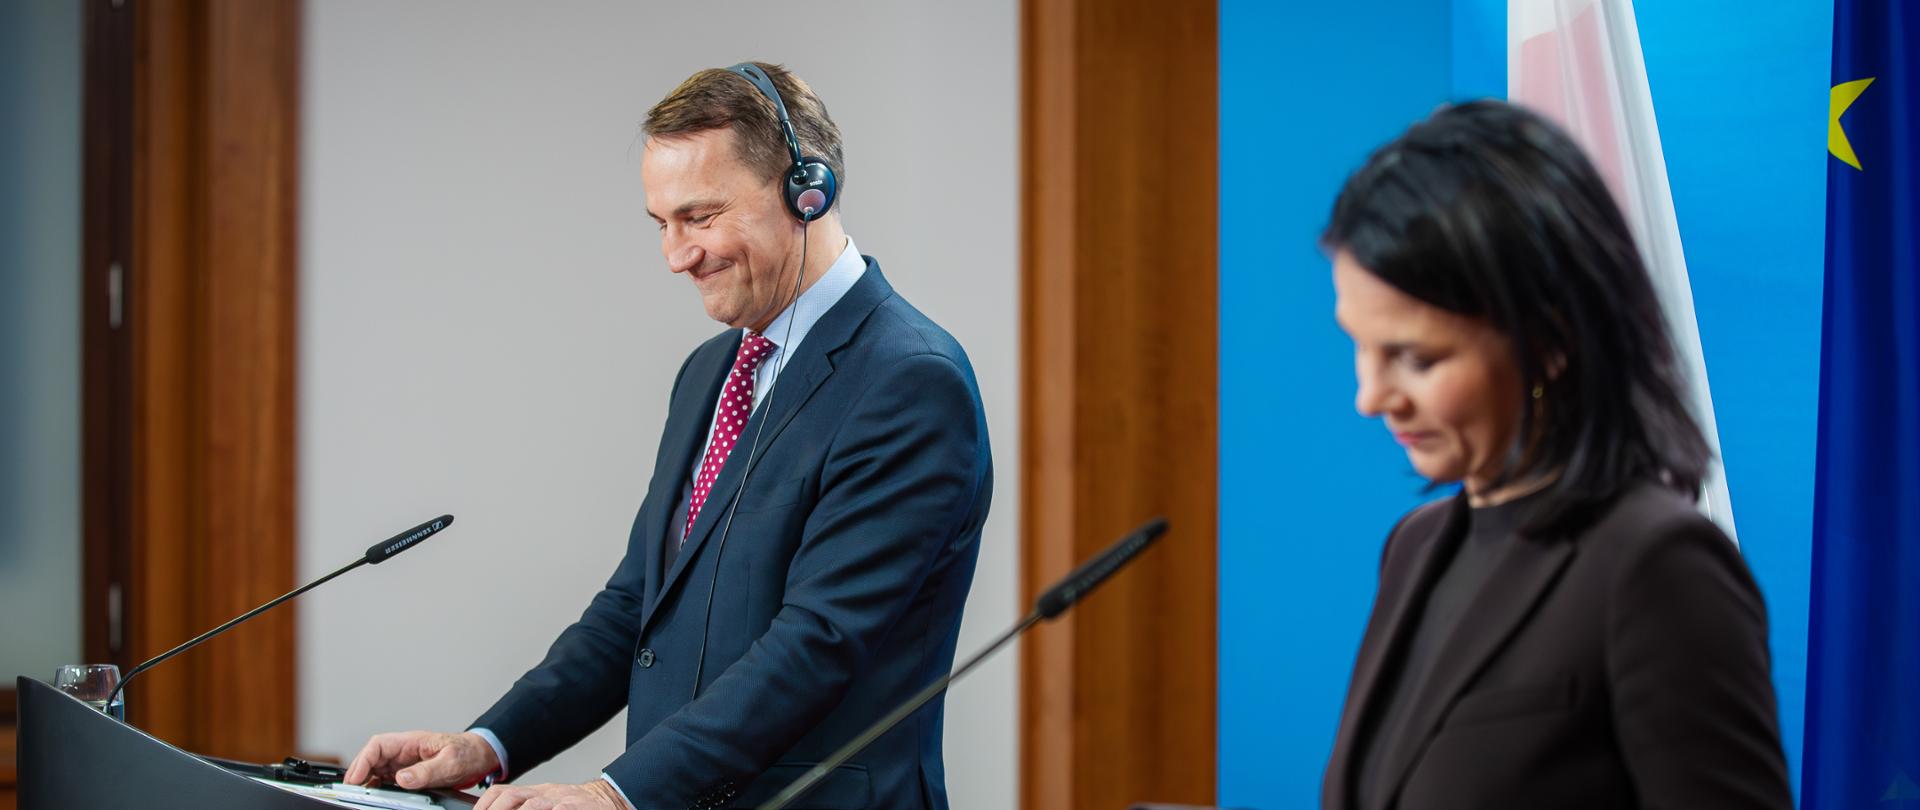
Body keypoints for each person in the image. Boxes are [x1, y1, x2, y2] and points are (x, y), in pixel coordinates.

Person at [344, 62, 993, 810]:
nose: (676, 256)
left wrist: (615, 795)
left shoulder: (910, 381)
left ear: (805, 192)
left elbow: (816, 644)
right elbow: (634, 609)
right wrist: (488, 745)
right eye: (662, 225)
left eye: (701, 217)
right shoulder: (708, 373)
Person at [1318, 101, 1792, 810]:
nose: (1371, 395)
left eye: (1413, 358)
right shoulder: (1413, 549)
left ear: (1549, 340)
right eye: (1359, 345)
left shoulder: (1654, 564)